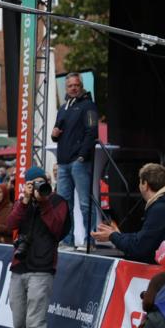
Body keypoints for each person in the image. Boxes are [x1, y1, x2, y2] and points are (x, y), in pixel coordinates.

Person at [5, 167, 70, 328]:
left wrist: (43, 201)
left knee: (35, 323)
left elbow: (57, 229)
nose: (38, 187)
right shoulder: (24, 202)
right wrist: (24, 200)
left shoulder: (58, 202)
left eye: (41, 182)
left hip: (42, 269)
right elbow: (10, 224)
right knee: (18, 323)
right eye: (33, 183)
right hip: (19, 268)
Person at [91, 163, 165, 271]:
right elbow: (145, 238)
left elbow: (139, 247)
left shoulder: (162, 209)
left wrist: (113, 236)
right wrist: (118, 236)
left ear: (145, 184)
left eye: (140, 182)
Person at [52, 72, 99, 247]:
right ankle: (67, 240)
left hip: (79, 162)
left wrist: (81, 156)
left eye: (76, 85)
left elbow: (92, 132)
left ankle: (90, 241)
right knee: (64, 205)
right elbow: (57, 134)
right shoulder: (63, 108)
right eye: (70, 85)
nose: (73, 88)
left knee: (85, 203)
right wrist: (54, 135)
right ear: (66, 87)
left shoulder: (89, 106)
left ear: (81, 86)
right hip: (63, 163)